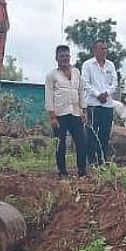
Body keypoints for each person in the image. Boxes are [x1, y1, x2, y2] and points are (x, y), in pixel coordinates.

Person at [45, 44, 89, 177]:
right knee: (61, 144)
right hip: (60, 114)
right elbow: (49, 96)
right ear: (56, 58)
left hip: (75, 113)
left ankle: (82, 171)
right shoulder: (51, 75)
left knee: (82, 143)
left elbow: (81, 91)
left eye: (67, 56)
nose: (65, 58)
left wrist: (84, 111)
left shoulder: (76, 72)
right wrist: (52, 116)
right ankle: (62, 172)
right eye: (62, 56)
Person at [81, 39, 119, 165]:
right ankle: (91, 160)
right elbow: (85, 83)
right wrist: (98, 95)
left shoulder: (111, 65)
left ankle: (102, 159)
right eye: (101, 49)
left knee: (105, 133)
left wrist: (106, 94)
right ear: (95, 50)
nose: (104, 51)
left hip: (107, 104)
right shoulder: (87, 65)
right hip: (93, 104)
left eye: (105, 49)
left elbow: (115, 84)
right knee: (91, 133)